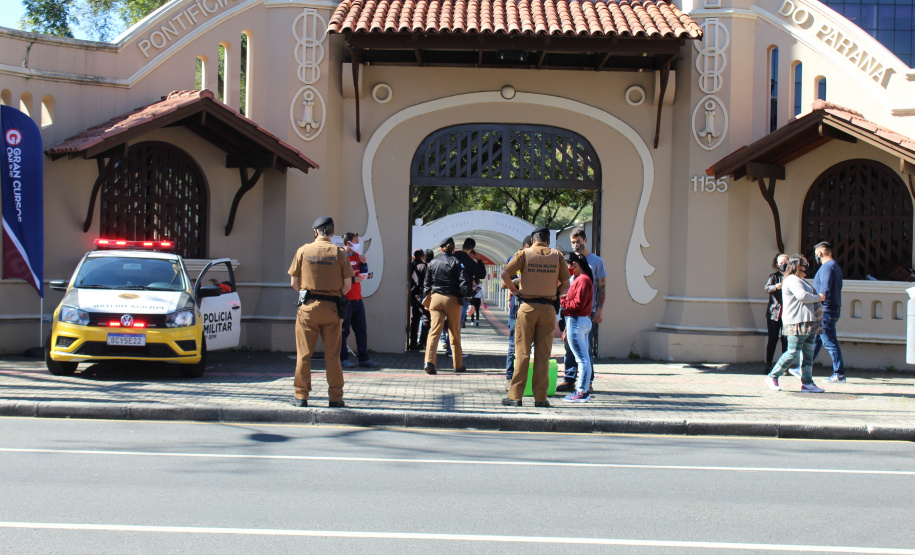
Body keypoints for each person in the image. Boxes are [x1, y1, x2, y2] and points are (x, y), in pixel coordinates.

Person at [287, 216, 354, 408]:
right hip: (332, 309)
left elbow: (294, 283)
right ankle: (335, 397)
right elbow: (347, 286)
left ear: (316, 232)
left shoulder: (303, 250)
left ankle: (301, 396)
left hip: (308, 309)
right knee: (332, 356)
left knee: (304, 354)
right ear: (332, 233)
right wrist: (333, 295)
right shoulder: (340, 253)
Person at [501, 227, 570, 407]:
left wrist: (515, 291)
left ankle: (515, 396)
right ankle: (541, 398)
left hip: (527, 308)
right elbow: (566, 284)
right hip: (548, 309)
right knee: (543, 354)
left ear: (533, 240)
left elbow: (504, 274)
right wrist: (555, 292)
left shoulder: (524, 254)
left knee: (522, 353)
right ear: (548, 241)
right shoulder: (558, 256)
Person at [766, 254, 826, 393]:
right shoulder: (793, 279)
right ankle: (772, 376)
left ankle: (807, 383)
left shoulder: (800, 279)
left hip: (808, 322)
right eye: (805, 264)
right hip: (797, 322)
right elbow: (802, 296)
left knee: (808, 354)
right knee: (792, 352)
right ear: (797, 266)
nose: (807, 267)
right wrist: (819, 297)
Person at [557, 227, 607, 393]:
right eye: (573, 242)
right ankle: (569, 378)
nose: (576, 245)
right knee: (569, 346)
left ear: (585, 241)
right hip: (570, 311)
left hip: (587, 311)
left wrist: (599, 309)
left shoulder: (596, 262)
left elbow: (602, 287)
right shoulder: (569, 260)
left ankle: (587, 380)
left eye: (578, 242)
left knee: (585, 348)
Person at [423, 237, 471, 375]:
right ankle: (458, 365)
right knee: (454, 333)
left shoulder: (432, 262)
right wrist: (466, 298)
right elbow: (463, 282)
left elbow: (426, 284)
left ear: (441, 248)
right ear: (453, 249)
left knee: (434, 331)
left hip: (436, 299)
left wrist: (426, 302)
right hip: (452, 300)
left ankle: (429, 362)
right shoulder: (457, 262)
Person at [340, 232, 378, 369]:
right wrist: (352, 280)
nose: (358, 244)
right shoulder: (341, 257)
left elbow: (362, 273)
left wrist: (364, 264)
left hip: (358, 299)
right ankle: (343, 358)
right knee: (343, 331)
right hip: (346, 299)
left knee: (361, 330)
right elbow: (337, 277)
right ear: (349, 243)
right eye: (356, 241)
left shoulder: (357, 256)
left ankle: (364, 358)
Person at [560, 251, 594, 402]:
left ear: (574, 264)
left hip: (577, 321)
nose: (564, 269)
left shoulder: (583, 280)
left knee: (582, 359)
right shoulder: (581, 279)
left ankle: (581, 391)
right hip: (579, 321)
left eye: (566, 266)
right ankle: (583, 390)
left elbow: (576, 304)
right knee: (584, 358)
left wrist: (560, 302)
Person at [812, 241, 846, 383]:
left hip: (826, 309)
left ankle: (839, 373)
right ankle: (804, 367)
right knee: (817, 340)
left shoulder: (827, 267)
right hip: (830, 309)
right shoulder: (835, 266)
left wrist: (820, 299)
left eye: (816, 254)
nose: (816, 257)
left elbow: (824, 287)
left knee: (829, 342)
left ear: (820, 253)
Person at [503, 235, 533, 385]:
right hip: (518, 307)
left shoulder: (534, 259)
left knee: (528, 345)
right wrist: (512, 294)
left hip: (529, 306)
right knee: (513, 343)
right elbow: (505, 282)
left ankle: (523, 374)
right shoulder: (514, 259)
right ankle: (510, 374)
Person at [764, 253, 789, 372]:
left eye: (785, 262)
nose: (783, 264)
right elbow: (767, 288)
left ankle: (784, 367)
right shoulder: (774, 276)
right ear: (777, 264)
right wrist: (776, 287)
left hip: (788, 315)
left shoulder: (792, 277)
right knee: (772, 339)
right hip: (774, 314)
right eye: (781, 263)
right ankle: (768, 364)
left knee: (786, 340)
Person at [408, 249, 428, 350]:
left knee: (414, 319)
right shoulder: (423, 267)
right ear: (422, 256)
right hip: (422, 296)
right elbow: (426, 283)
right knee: (426, 318)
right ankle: (422, 342)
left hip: (412, 296)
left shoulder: (410, 266)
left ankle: (412, 342)